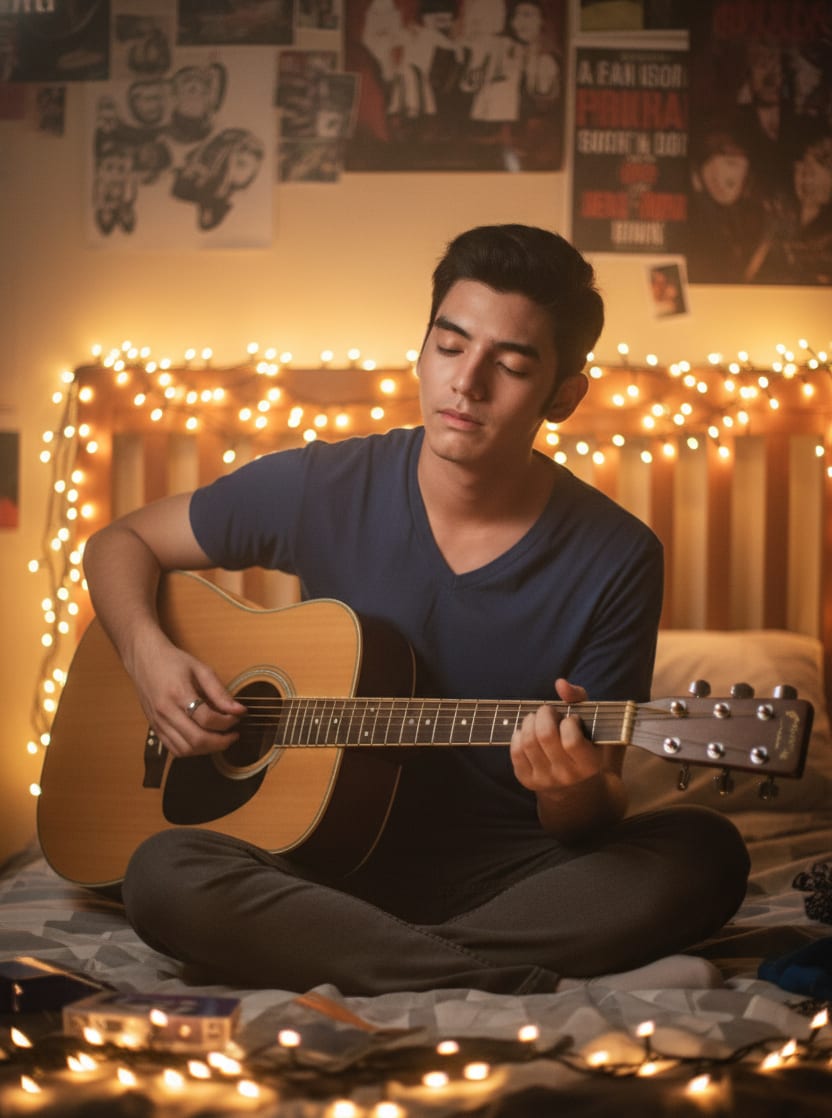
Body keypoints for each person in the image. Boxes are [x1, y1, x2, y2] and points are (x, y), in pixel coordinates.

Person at [83, 224, 750, 996]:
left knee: (704, 854)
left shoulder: (618, 556)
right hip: (309, 860)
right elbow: (120, 541)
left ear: (564, 394)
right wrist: (148, 657)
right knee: (163, 872)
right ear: (423, 348)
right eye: (450, 345)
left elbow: (593, 810)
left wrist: (567, 788)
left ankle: (372, 958)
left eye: (511, 364)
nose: (466, 384)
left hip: (508, 874)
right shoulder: (325, 485)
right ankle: (531, 982)